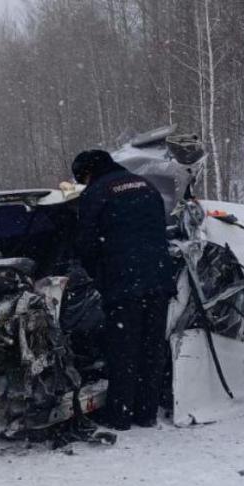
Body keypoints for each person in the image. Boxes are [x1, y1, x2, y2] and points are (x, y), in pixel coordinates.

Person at [72, 149, 176, 431]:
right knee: (151, 349)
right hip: (158, 280)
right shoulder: (146, 186)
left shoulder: (95, 194)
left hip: (123, 283)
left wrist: (99, 276)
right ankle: (146, 412)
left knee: (123, 351)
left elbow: (86, 244)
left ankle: (120, 415)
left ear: (88, 173)